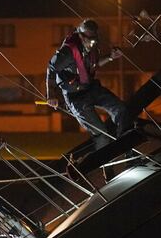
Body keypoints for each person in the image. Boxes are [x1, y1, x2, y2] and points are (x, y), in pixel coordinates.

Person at [46, 18, 129, 149]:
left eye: (94, 38)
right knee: (101, 134)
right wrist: (51, 94)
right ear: (80, 35)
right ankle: (106, 166)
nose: (91, 42)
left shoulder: (93, 47)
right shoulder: (68, 51)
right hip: (76, 97)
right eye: (88, 38)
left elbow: (94, 65)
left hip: (91, 88)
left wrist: (110, 57)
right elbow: (51, 68)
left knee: (121, 109)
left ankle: (126, 147)